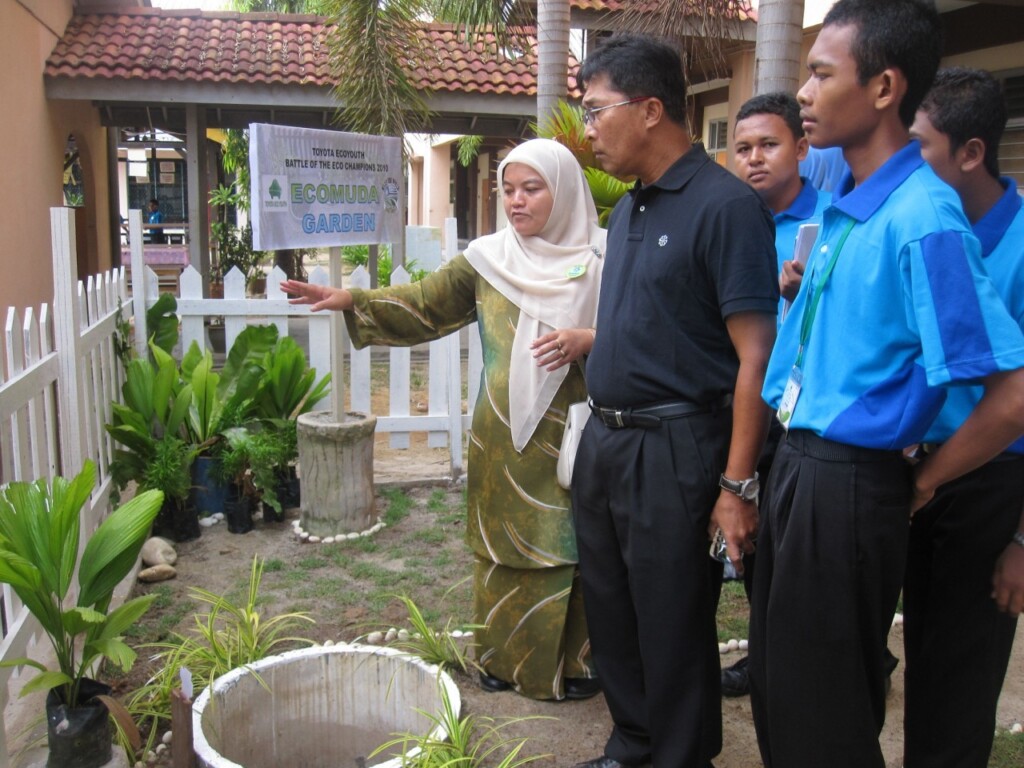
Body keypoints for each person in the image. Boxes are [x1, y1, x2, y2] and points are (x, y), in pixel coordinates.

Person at [749, 2, 1024, 767]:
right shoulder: (848, 204)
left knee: (823, 723)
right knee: (783, 700)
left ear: (883, 89)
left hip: (848, 483)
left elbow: (1011, 396)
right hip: (799, 467)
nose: (802, 93)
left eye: (820, 73)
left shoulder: (924, 215)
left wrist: (928, 480)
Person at [281, 138, 604, 702]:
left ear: (567, 189)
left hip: (575, 434)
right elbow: (426, 304)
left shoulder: (606, 260)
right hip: (500, 436)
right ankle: (501, 661)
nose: (516, 201)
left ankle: (574, 667)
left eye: (532, 188)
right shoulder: (487, 258)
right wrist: (352, 299)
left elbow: (645, 335)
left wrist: (591, 340)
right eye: (507, 189)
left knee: (571, 548)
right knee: (500, 546)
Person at [570, 33, 779, 768]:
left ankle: (681, 755)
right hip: (606, 442)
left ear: (651, 108)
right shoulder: (628, 212)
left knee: (670, 619)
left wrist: (735, 485)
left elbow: (756, 354)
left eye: (595, 111)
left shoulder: (726, 207)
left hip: (676, 448)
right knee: (612, 607)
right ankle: (633, 740)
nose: (587, 128)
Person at [904, 66, 1024, 768]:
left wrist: (1019, 541)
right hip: (920, 473)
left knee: (960, 682)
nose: (904, 162)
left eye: (919, 146)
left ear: (971, 153)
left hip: (989, 487)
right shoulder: (926, 226)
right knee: (923, 655)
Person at [721, 91, 830, 698]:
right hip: (744, 405)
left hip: (805, 416)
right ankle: (764, 660)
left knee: (801, 551)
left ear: (803, 147)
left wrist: (800, 292)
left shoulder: (831, 223)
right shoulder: (734, 220)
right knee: (753, 545)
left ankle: (816, 665)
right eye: (742, 148)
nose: (754, 159)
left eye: (769, 145)